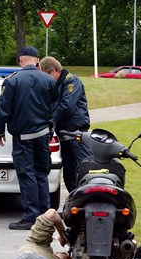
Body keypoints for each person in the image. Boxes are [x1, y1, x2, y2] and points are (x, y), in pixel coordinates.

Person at [0, 46, 57, 230]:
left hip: (23, 137)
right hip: (43, 135)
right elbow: (53, 105)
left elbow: (3, 110)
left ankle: (31, 217)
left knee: (26, 173)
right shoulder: (49, 80)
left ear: (21, 60)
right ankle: (46, 217)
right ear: (37, 60)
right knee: (41, 173)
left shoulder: (12, 81)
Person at [38, 56, 92, 192]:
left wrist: (50, 122)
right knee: (69, 170)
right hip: (64, 132)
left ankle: (88, 195)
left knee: (84, 166)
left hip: (76, 132)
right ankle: (74, 198)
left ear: (53, 71)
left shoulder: (72, 82)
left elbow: (66, 106)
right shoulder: (57, 84)